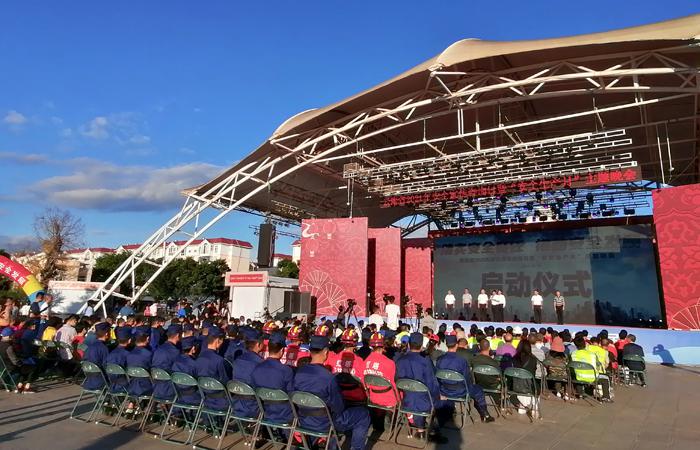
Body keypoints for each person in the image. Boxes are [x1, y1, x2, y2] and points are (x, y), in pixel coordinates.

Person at [294, 335, 371, 450]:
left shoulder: (299, 372)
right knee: (363, 414)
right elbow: (339, 407)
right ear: (326, 352)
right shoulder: (328, 377)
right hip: (326, 423)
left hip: (303, 419)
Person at [394, 332, 447, 443]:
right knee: (443, 403)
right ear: (421, 345)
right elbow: (432, 383)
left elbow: (397, 380)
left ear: (409, 344)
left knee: (418, 397)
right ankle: (433, 431)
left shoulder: (400, 360)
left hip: (406, 400)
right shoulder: (425, 361)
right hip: (423, 401)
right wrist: (438, 396)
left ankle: (421, 430)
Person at [435, 334, 495, 422]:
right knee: (478, 389)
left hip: (444, 390)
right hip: (461, 391)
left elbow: (437, 377)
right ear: (456, 345)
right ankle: (485, 414)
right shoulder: (461, 360)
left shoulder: (440, 359)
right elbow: (467, 378)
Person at [251, 332, 295, 428]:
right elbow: (291, 394)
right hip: (284, 414)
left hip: (265, 411)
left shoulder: (257, 368)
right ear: (282, 350)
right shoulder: (286, 370)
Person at [363, 333, 397, 432]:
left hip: (372, 397)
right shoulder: (390, 363)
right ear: (383, 345)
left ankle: (379, 415)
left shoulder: (365, 361)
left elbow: (364, 383)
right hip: (388, 399)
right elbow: (393, 384)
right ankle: (389, 413)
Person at [571, 336, 611, 401]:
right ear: (585, 344)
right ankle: (606, 397)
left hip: (578, 376)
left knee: (578, 373)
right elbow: (598, 365)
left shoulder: (573, 354)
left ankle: (580, 393)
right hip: (592, 377)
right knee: (605, 379)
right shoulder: (592, 354)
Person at [151, 324, 181, 400]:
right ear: (178, 335)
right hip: (169, 388)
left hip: (156, 387)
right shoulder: (175, 352)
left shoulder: (159, 349)